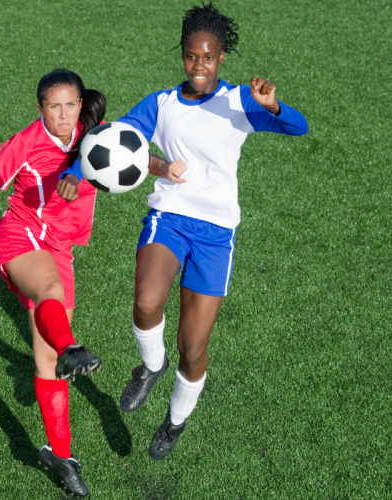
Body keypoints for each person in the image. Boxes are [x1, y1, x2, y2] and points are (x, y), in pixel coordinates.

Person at [66, 2, 308, 460]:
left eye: (209, 57)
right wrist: (80, 173)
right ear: (182, 54)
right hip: (170, 216)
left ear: (222, 58)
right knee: (146, 301)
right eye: (192, 56)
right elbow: (114, 143)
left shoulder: (239, 102)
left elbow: (298, 127)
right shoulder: (162, 103)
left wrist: (272, 104)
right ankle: (150, 366)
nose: (200, 66)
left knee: (194, 348)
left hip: (217, 232)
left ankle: (175, 422)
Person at [0, 69, 106, 497]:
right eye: (54, 107)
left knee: (46, 362)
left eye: (71, 105)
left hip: (59, 247)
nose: (64, 115)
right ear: (40, 108)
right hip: (20, 235)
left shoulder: (94, 134)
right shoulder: (25, 143)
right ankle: (73, 349)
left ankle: (60, 455)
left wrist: (167, 169)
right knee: (51, 299)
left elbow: (134, 157)